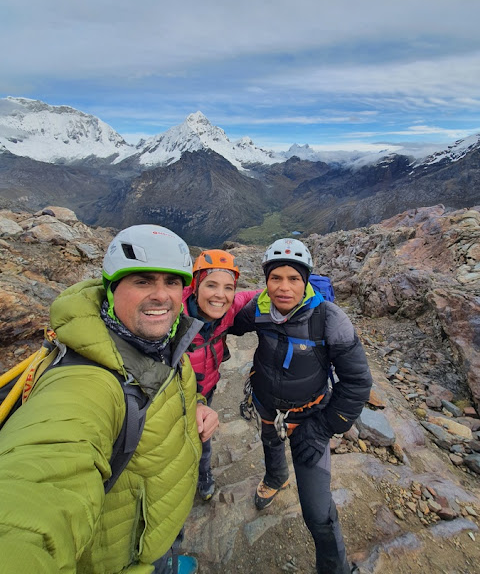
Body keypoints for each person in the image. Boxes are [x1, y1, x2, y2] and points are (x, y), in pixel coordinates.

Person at [0, 224, 219, 574]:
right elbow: (38, 489)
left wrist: (194, 407)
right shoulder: (87, 383)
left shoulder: (168, 343)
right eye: (143, 281)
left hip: (153, 531)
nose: (162, 296)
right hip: (122, 560)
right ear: (111, 287)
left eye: (172, 282)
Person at [230, 238, 372, 574]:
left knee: (317, 512)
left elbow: (357, 381)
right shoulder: (259, 309)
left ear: (305, 281)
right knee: (270, 442)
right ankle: (276, 477)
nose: (283, 287)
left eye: (293, 278)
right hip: (266, 403)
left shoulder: (329, 319)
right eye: (275, 277)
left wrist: (324, 427)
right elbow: (227, 324)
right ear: (265, 280)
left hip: (310, 417)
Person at [182, 249, 258, 500]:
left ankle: (203, 474)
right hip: (173, 396)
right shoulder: (172, 313)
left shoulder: (229, 307)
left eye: (228, 287)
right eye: (211, 285)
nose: (220, 295)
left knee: (204, 436)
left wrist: (306, 290)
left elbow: (256, 295)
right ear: (195, 285)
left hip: (207, 388)